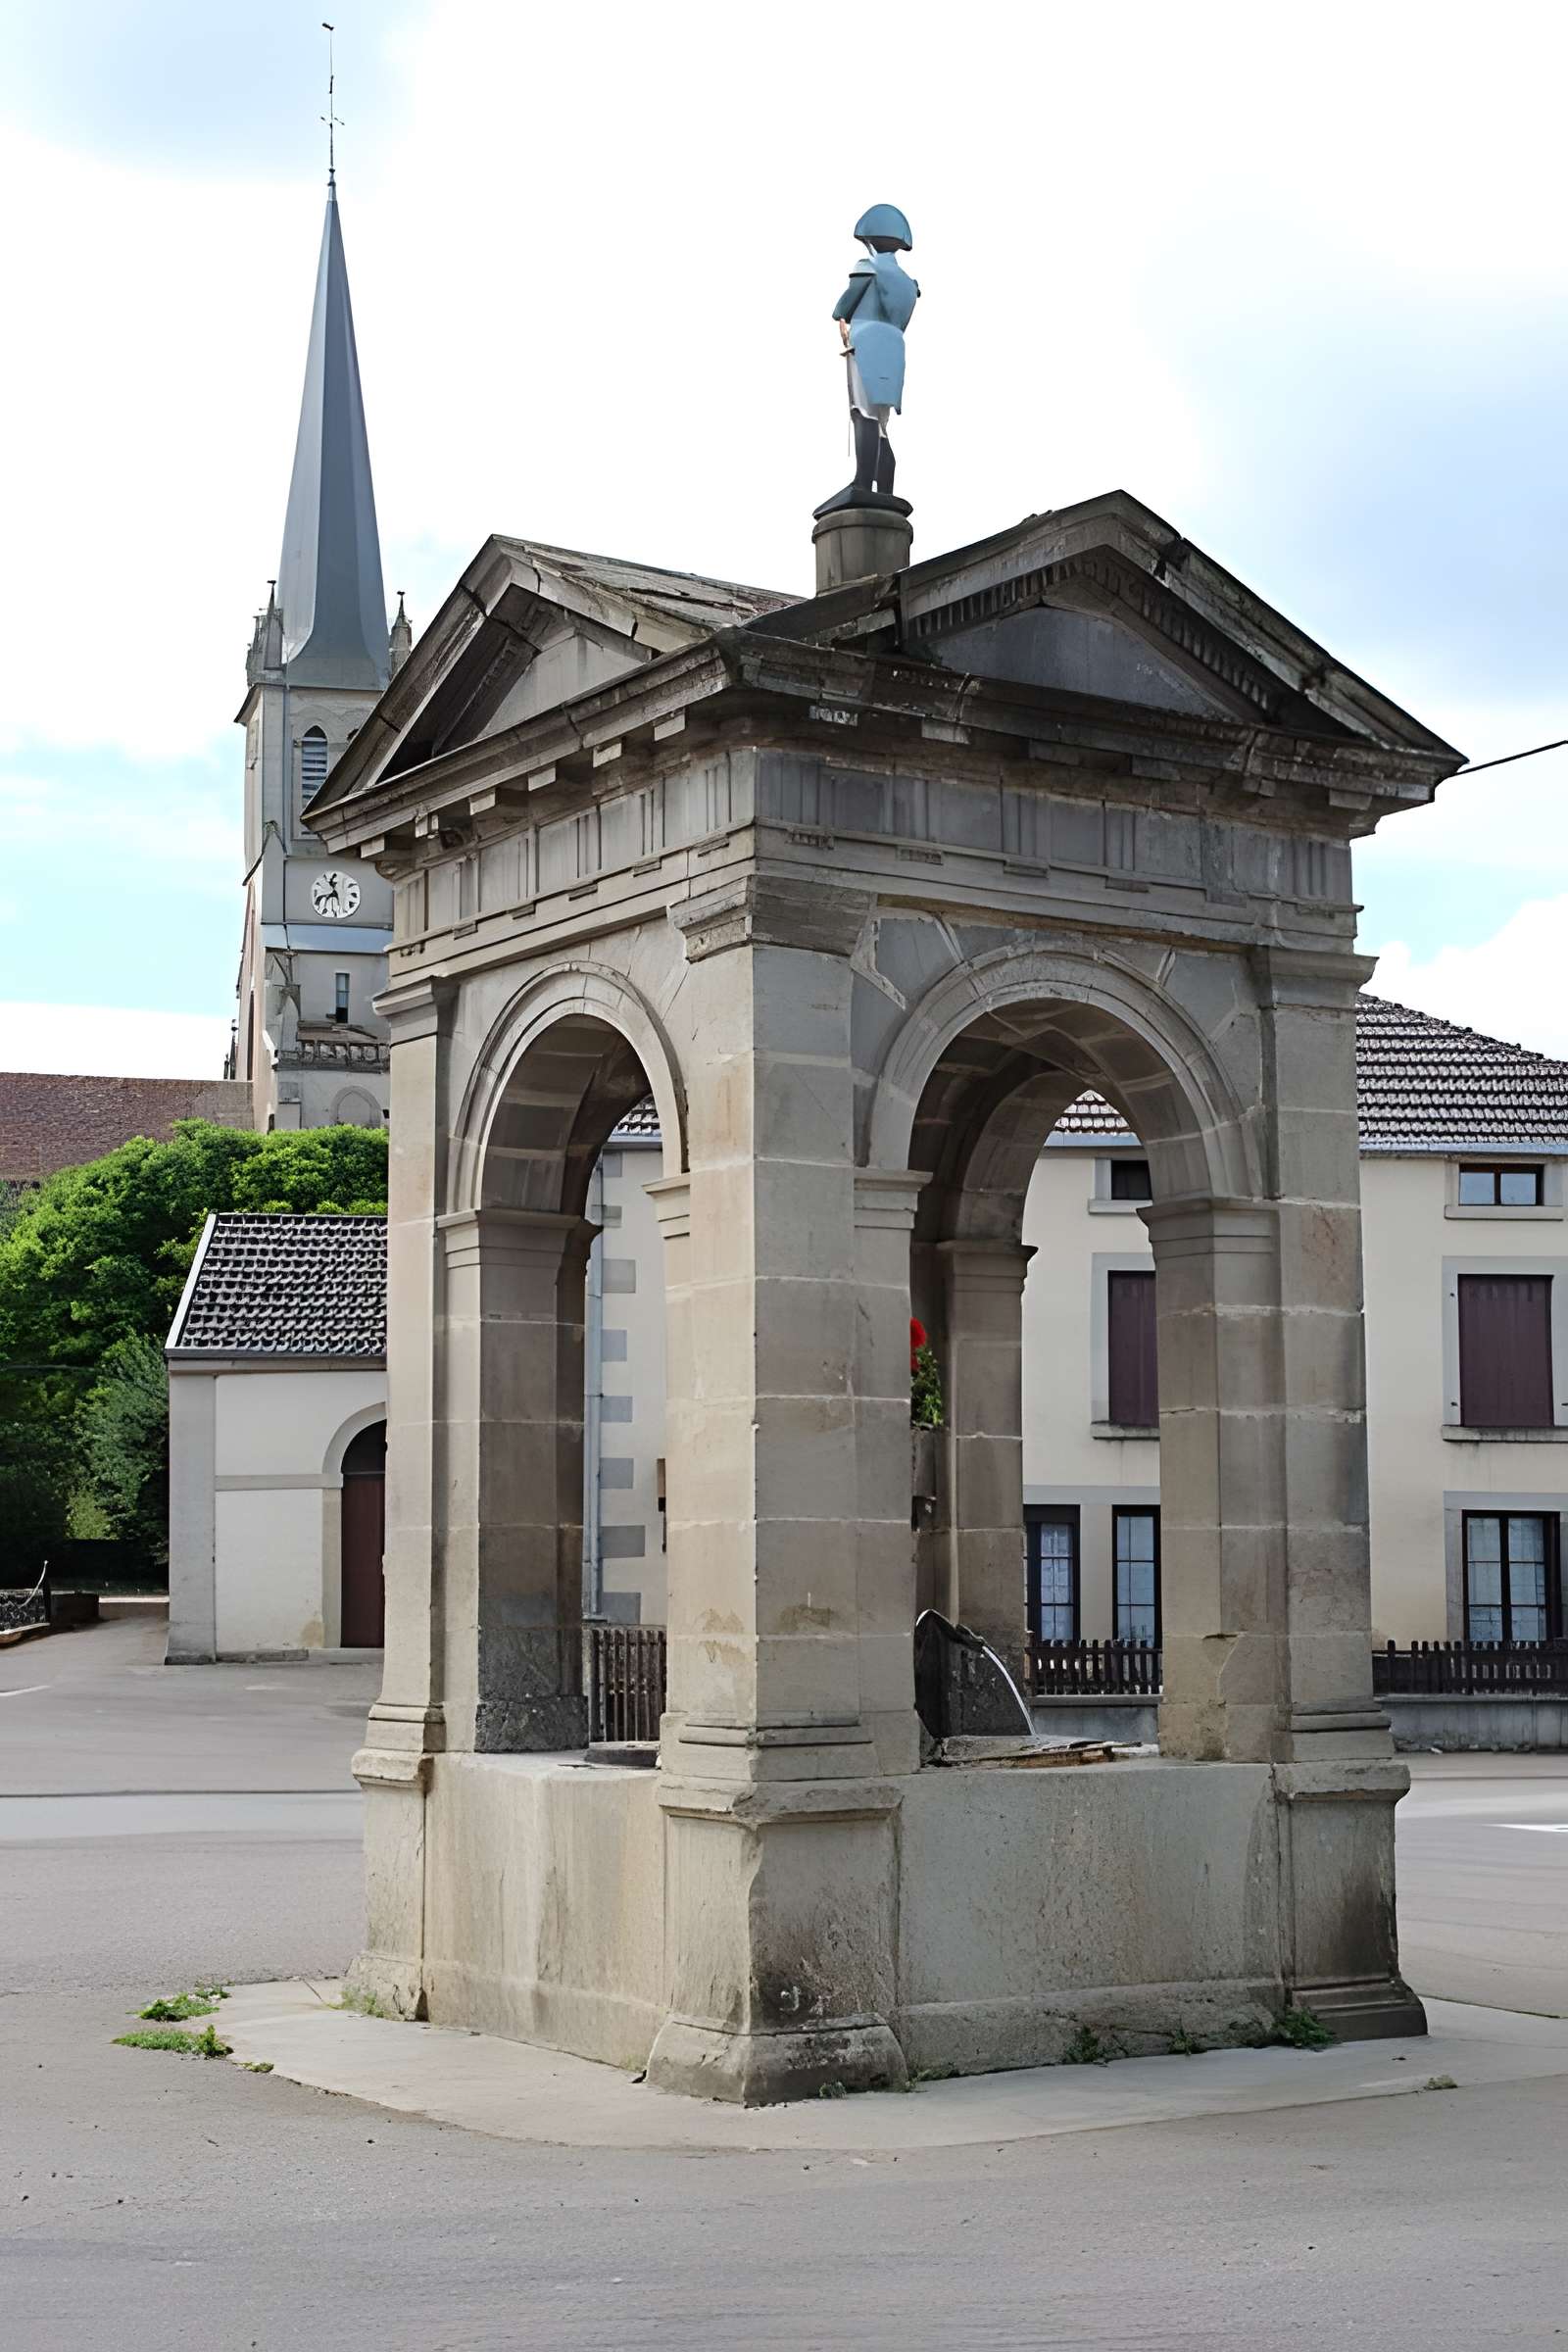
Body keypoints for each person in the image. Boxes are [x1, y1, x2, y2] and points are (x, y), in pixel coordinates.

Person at [823, 204, 918, 511]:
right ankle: (884, 487)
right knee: (881, 421)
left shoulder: (868, 266)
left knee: (863, 412)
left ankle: (863, 481)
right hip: (894, 347)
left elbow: (844, 306)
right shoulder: (907, 283)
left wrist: (840, 315)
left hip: (865, 342)